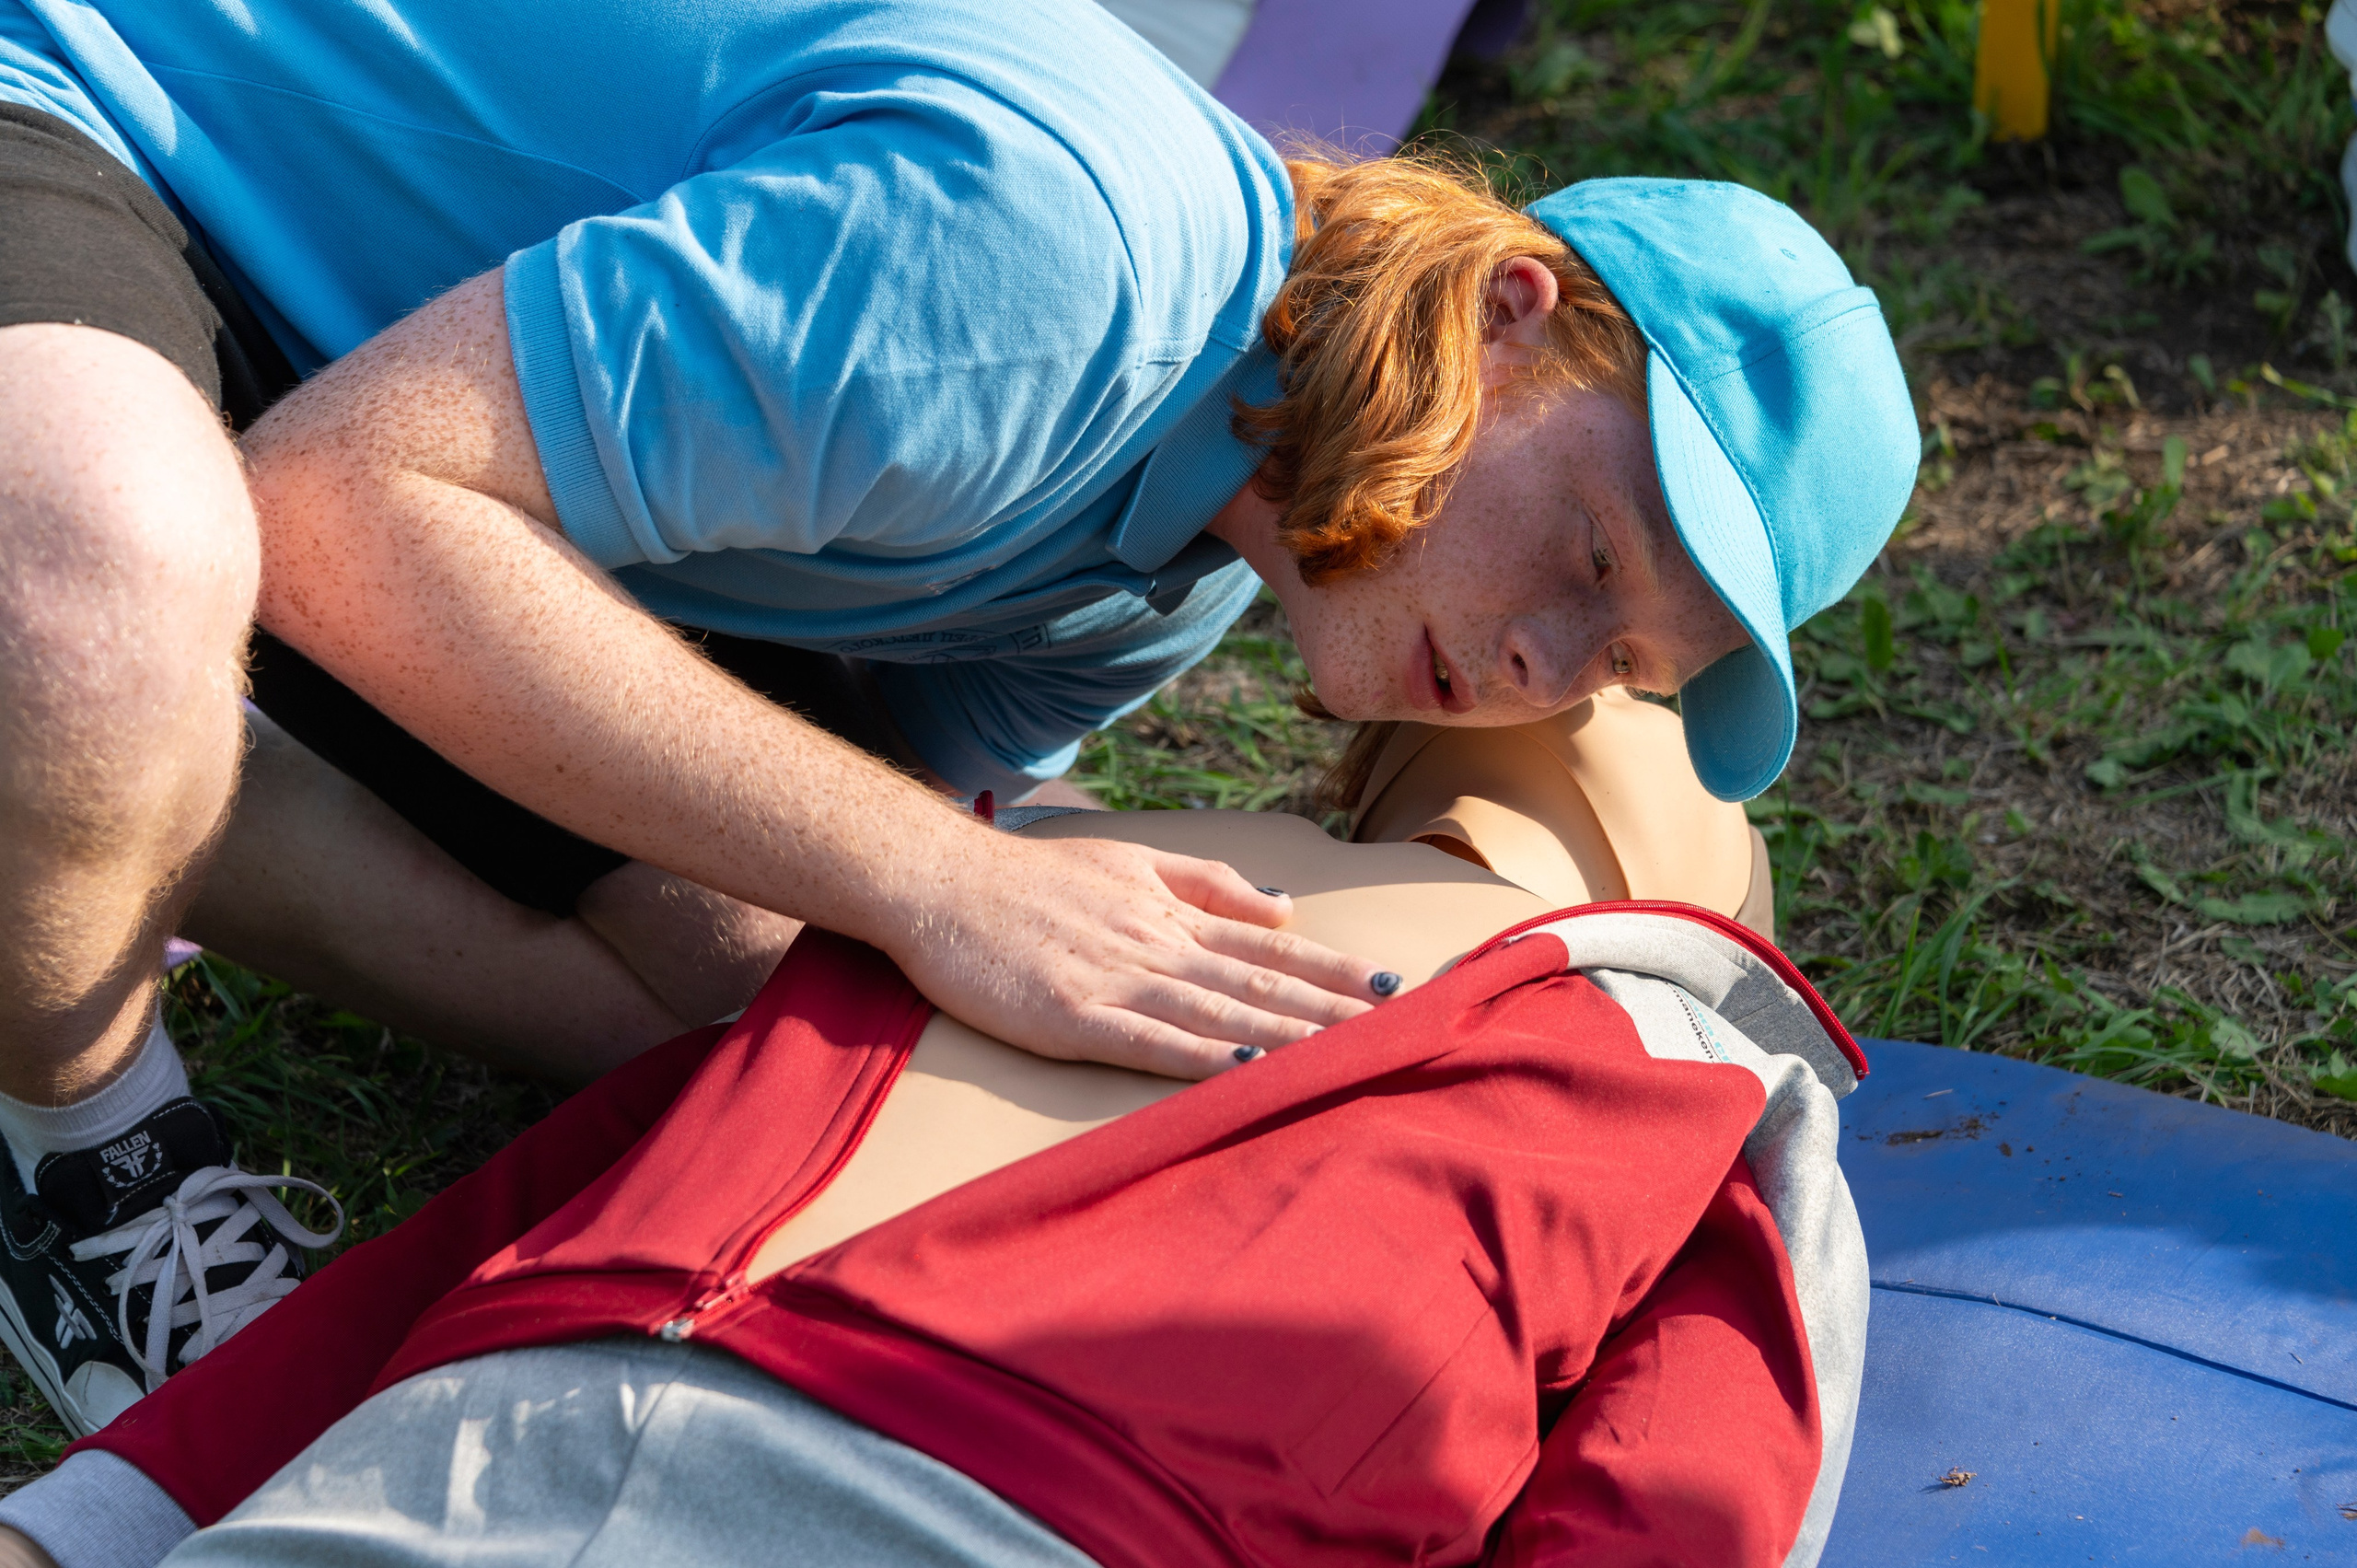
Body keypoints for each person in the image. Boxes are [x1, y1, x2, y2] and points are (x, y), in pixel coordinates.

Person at [0, 0, 1915, 1432]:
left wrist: (989, 923)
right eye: (1584, 554)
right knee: (102, 571)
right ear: (1506, 310)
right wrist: (938, 877)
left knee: (746, 990)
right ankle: (77, 1150)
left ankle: (80, 787)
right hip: (100, 110)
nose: (1538, 671)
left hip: (355, 372)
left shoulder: (1184, 560)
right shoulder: (1063, 261)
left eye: (1620, 666)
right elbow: (342, 505)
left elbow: (824, 916)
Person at [0, 700, 1870, 1568]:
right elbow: (580, 1190)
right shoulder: (1024, 879)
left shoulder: (1693, 1058)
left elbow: (1678, 1497)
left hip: (985, 1513)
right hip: (481, 1444)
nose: (1588, 690)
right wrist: (105, 1517)